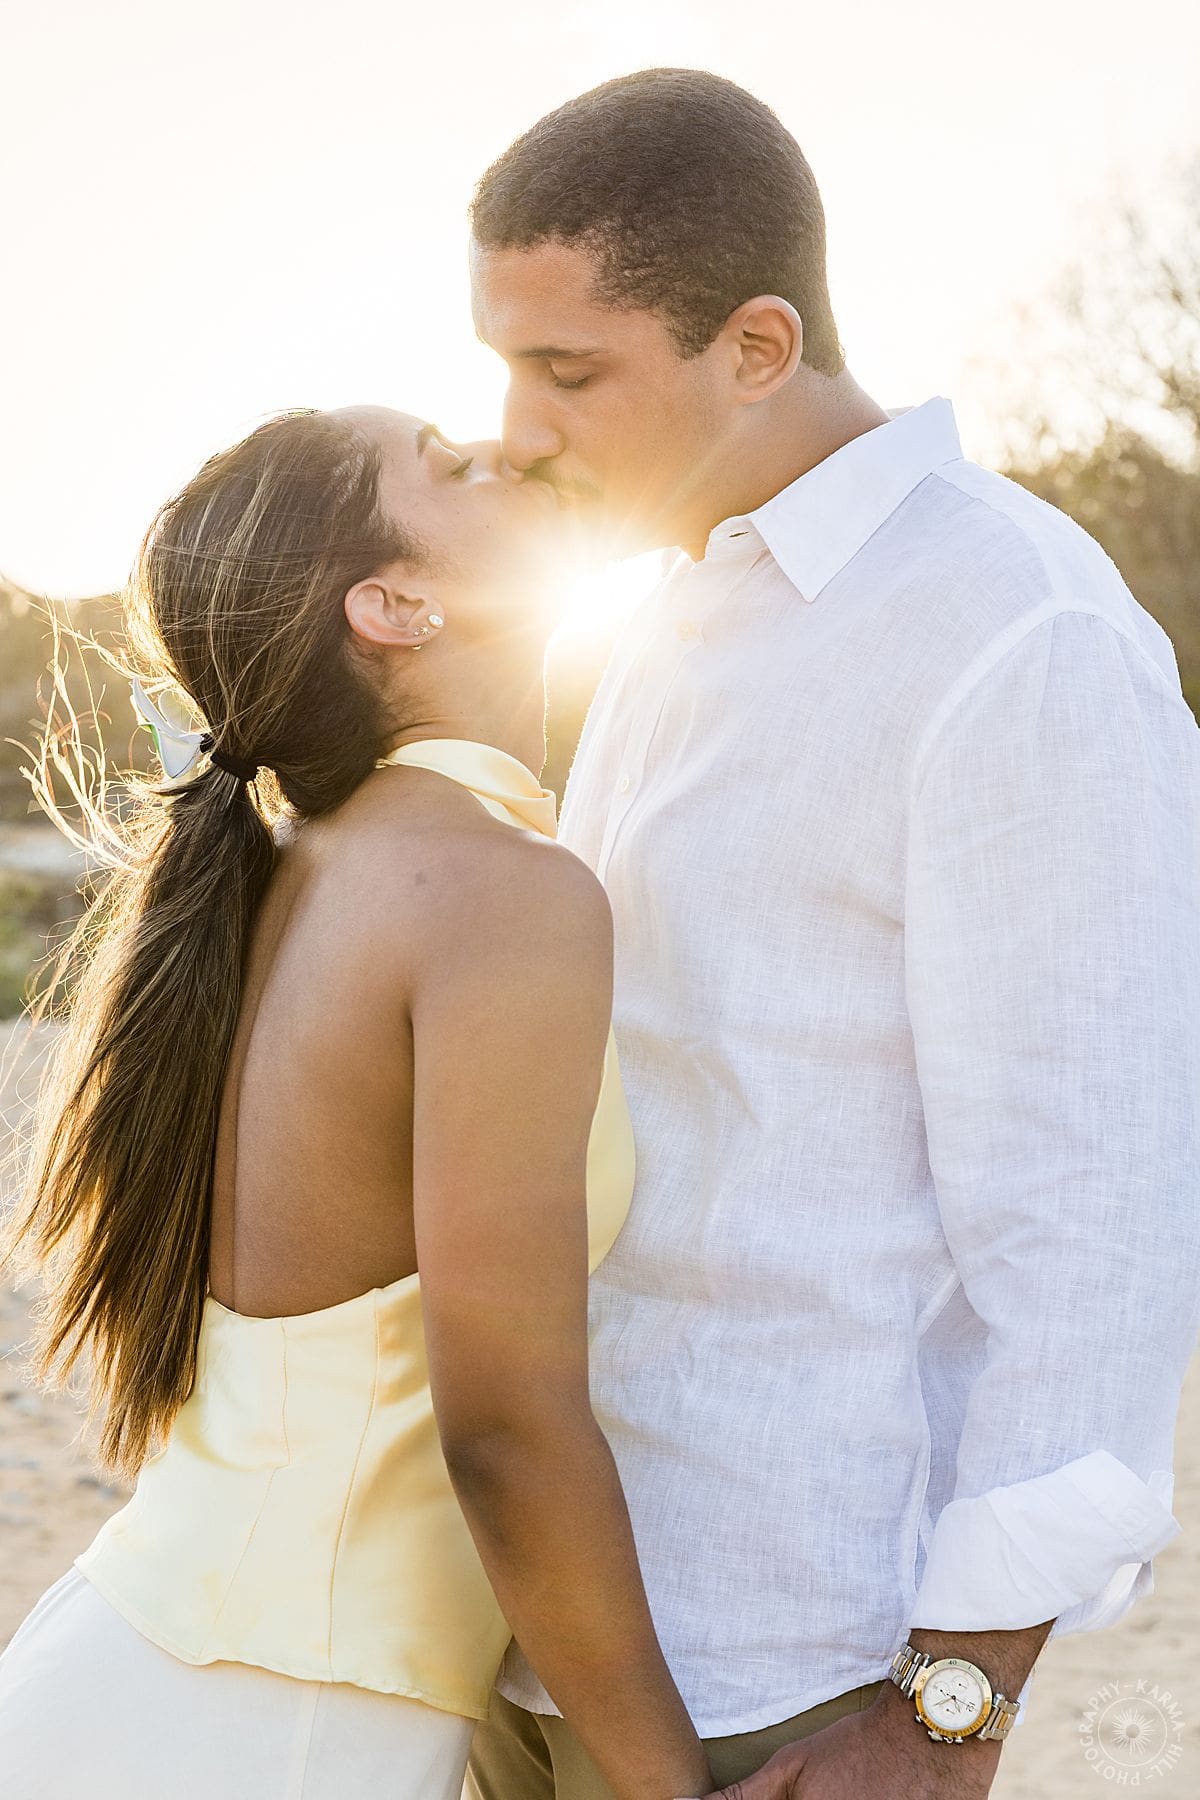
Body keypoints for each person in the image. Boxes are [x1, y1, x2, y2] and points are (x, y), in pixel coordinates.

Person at [464, 68, 1200, 1800]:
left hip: (795, 1674)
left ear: (760, 345)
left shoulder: (1020, 639)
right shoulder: (652, 620)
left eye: (568, 371)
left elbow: (1094, 1234)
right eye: (502, 363)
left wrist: (952, 1721)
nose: (513, 427)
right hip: (546, 1623)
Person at [0, 406, 715, 1800]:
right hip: (269, 1732)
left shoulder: (321, 866)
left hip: (168, 1675)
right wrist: (669, 1787)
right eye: (450, 466)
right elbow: (503, 1423)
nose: (503, 451)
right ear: (395, 605)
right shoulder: (495, 892)